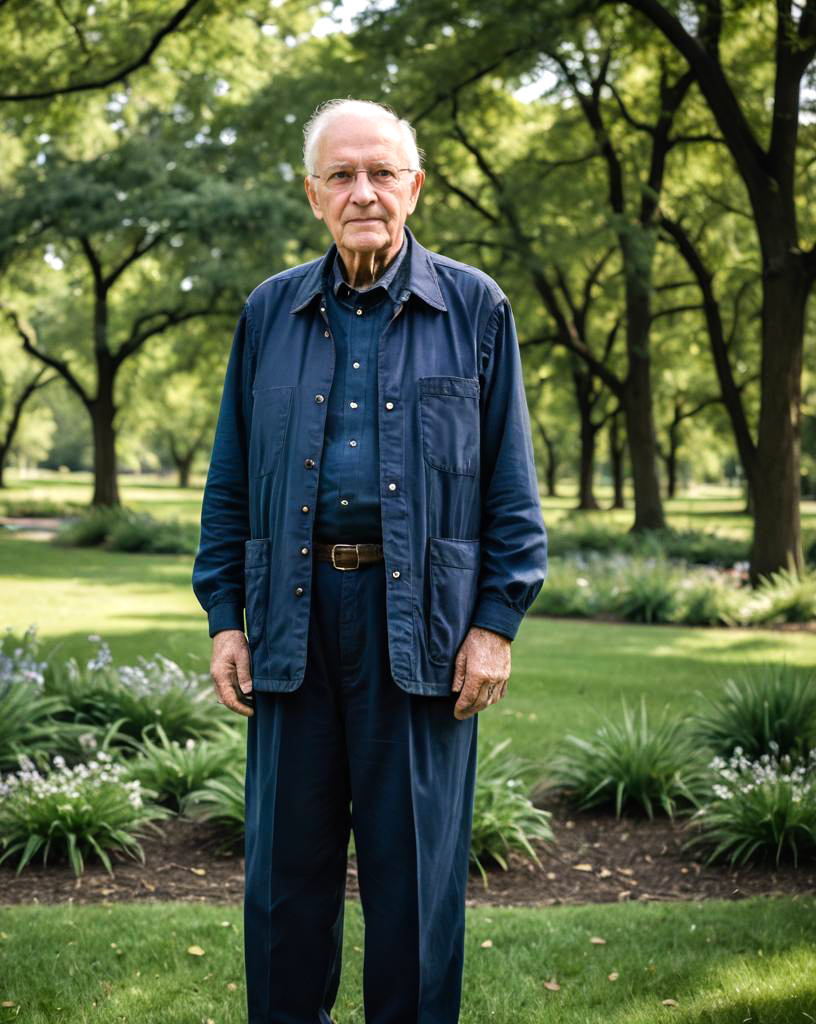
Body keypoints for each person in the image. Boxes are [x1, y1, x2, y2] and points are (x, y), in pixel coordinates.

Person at [192, 98, 547, 1024]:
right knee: (281, 890)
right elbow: (229, 480)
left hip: (422, 630)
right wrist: (225, 615)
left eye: (382, 173)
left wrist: (496, 626)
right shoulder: (268, 311)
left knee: (418, 892)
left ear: (414, 187)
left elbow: (511, 486)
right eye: (342, 175)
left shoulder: (474, 307)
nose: (364, 193)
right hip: (290, 624)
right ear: (314, 195)